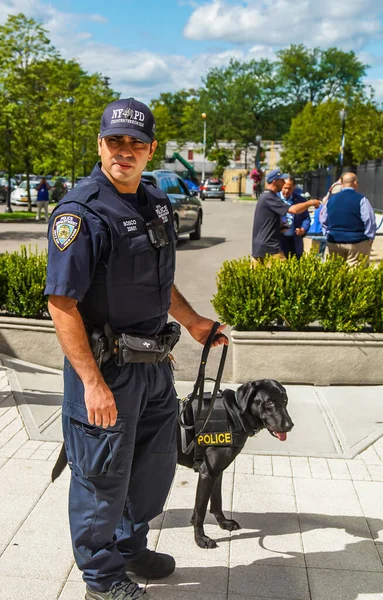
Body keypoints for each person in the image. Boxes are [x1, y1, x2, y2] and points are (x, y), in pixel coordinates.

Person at [44, 97, 228, 600]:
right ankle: (101, 580)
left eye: (135, 143)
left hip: (154, 366)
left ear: (150, 151)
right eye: (114, 141)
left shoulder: (155, 201)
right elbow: (62, 305)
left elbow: (158, 279)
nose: (124, 151)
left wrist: (191, 322)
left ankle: (130, 547)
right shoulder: (81, 213)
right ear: (100, 144)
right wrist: (91, 383)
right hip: (105, 372)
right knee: (100, 476)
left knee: (152, 466)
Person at [251, 169, 321, 264]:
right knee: (286, 276)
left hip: (264, 247)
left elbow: (268, 222)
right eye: (281, 180)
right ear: (275, 181)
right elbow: (294, 210)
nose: (284, 182)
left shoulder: (266, 196)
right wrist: (311, 202)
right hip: (270, 248)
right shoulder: (270, 197)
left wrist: (280, 227)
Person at [320, 172, 376, 266]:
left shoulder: (331, 200)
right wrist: (369, 238)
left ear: (342, 184)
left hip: (334, 241)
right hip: (356, 242)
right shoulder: (361, 200)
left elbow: (323, 219)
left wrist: (328, 234)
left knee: (334, 274)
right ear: (355, 183)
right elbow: (370, 220)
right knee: (355, 275)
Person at [278, 176, 311, 259]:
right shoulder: (274, 199)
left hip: (295, 240)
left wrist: (303, 229)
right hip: (279, 240)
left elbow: (306, 218)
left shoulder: (300, 200)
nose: (286, 191)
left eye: (289, 188)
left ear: (294, 187)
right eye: (285, 188)